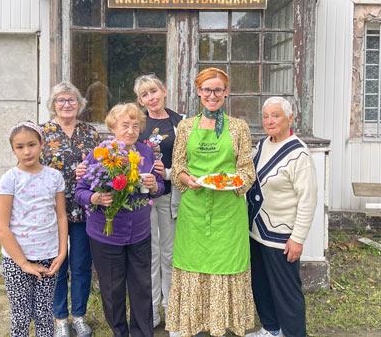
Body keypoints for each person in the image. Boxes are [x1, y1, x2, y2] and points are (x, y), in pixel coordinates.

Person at [165, 67, 256, 337]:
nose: (212, 95)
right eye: (207, 89)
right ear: (199, 92)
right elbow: (178, 164)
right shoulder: (185, 126)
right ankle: (193, 325)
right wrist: (187, 179)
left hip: (228, 211)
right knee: (193, 263)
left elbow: (247, 171)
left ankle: (221, 325)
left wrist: (230, 182)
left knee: (226, 263)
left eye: (217, 90)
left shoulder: (239, 127)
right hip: (194, 208)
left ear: (226, 93)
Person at [75, 103, 165, 337]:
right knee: (113, 292)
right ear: (113, 127)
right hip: (106, 235)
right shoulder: (101, 154)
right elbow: (80, 191)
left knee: (142, 288)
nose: (131, 131)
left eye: (136, 126)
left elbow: (159, 186)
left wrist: (155, 186)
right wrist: (95, 197)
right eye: (125, 125)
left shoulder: (146, 153)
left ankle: (142, 333)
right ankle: (120, 333)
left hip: (140, 234)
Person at [245, 97, 318, 337]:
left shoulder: (299, 154)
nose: (269, 120)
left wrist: (297, 238)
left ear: (290, 119)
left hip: (281, 236)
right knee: (261, 286)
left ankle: (295, 333)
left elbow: (307, 200)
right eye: (266, 116)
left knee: (286, 292)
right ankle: (271, 329)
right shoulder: (264, 144)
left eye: (275, 115)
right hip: (256, 230)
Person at [0, 121, 68, 337]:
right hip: (17, 261)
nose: (27, 152)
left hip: (48, 258)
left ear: (41, 144)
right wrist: (24, 263)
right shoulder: (10, 179)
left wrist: (62, 252)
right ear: (13, 149)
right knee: (20, 317)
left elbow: (61, 216)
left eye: (32, 145)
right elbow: (1, 227)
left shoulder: (55, 177)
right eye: (20, 147)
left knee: (45, 316)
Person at [40, 81, 101, 337]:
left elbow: (102, 166)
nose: (66, 104)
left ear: (79, 104)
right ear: (53, 105)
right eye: (61, 100)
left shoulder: (90, 132)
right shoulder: (41, 132)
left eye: (71, 100)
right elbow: (30, 167)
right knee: (56, 263)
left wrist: (93, 172)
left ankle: (79, 315)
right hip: (52, 209)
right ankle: (60, 318)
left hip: (84, 207)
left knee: (81, 263)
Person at [134, 74, 183, 328]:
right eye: (144, 95)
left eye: (153, 91)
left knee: (170, 255)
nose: (150, 98)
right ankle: (151, 313)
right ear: (140, 100)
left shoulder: (180, 123)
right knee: (150, 256)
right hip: (142, 201)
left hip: (169, 197)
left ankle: (172, 312)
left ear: (163, 91)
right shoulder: (137, 124)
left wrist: (166, 173)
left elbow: (188, 165)